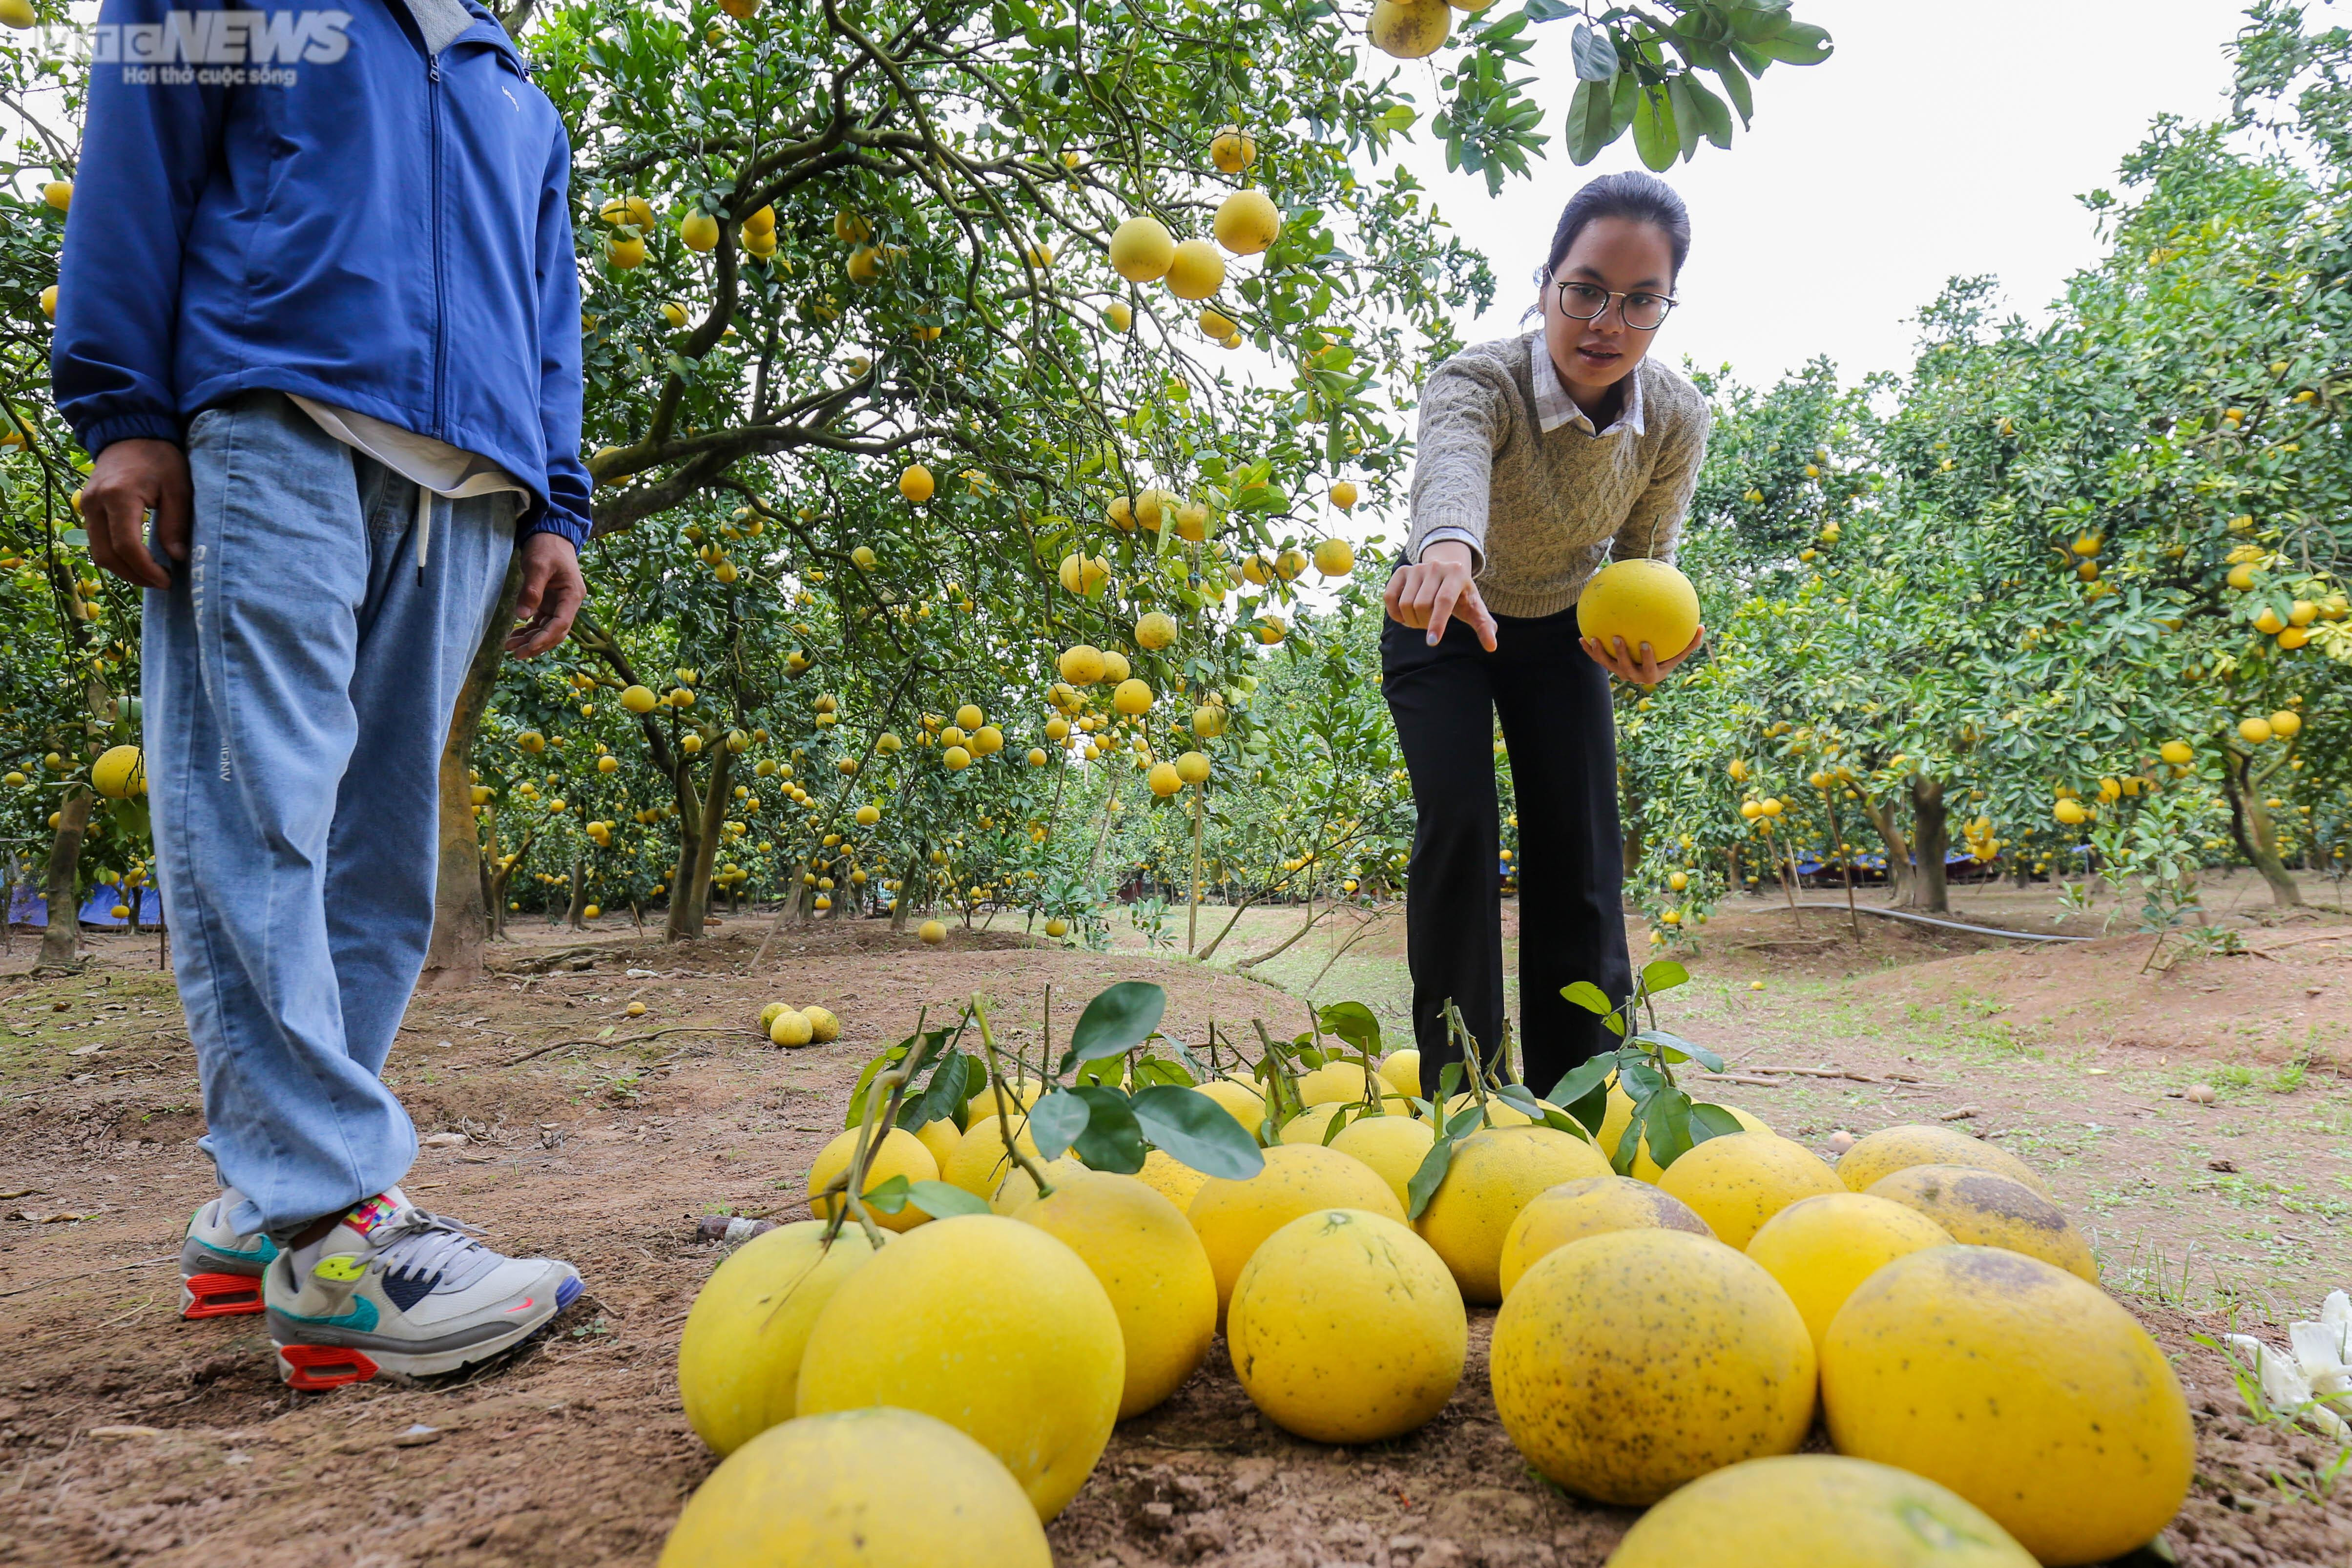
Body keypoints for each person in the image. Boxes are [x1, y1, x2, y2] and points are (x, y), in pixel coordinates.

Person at [53, 0, 592, 1388]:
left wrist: (557, 507)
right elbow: (141, 143)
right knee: (261, 811)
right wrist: (124, 408)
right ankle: (340, 1227)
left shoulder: (511, 86)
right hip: (274, 418)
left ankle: (266, 1206)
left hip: (466, 486)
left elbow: (549, 307)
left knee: (378, 861)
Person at [1382, 171, 1707, 1101]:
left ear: (1664, 307)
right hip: (1442, 615)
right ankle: (1467, 1091)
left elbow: (1645, 564)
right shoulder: (1477, 379)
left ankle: (1583, 1096)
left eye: (1641, 299)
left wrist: (1653, 644)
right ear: (1545, 284)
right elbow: (1449, 474)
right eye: (1586, 288)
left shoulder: (1677, 417)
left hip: (1563, 630)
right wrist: (1444, 551)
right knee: (1461, 826)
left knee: (1581, 848)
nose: (1607, 320)